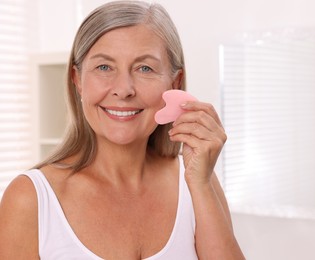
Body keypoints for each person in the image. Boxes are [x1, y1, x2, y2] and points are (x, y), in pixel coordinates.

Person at [0, 1, 245, 259]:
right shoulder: (31, 200)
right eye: (104, 67)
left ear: (175, 83)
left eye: (144, 68)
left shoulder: (197, 182)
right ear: (78, 80)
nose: (124, 89)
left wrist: (202, 184)